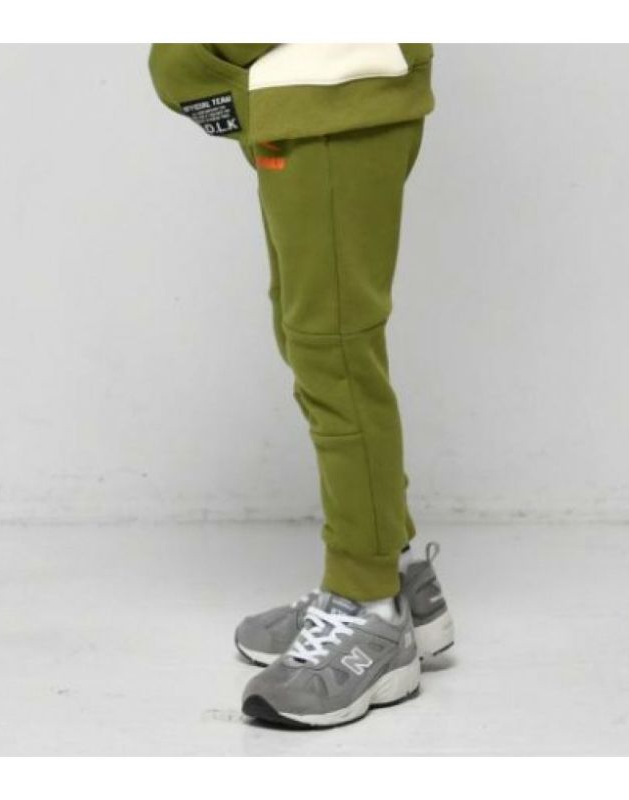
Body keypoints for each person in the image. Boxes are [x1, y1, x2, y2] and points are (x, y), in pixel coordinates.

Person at [148, 43, 455, 728]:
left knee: (334, 353)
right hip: (305, 97)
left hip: (337, 96)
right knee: (308, 335)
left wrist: (191, 57)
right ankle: (398, 577)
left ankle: (369, 610)